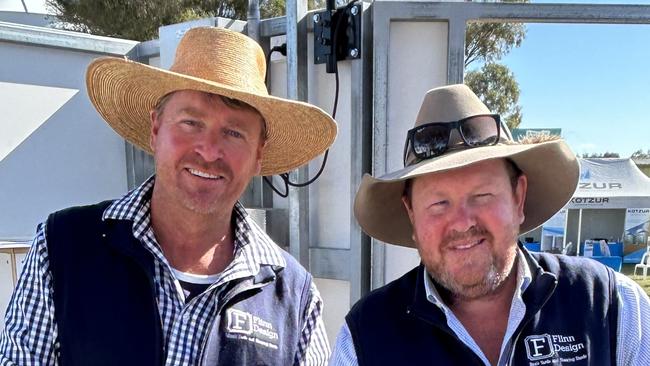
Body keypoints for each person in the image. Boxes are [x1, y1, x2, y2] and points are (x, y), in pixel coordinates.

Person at [0, 27, 337, 365]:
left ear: (258, 155)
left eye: (234, 132)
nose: (208, 150)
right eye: (191, 122)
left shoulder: (294, 297)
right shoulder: (62, 248)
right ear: (156, 128)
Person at [329, 84, 650, 365]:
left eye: (482, 195)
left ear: (518, 198)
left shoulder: (611, 306)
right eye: (438, 203)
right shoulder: (365, 338)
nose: (462, 222)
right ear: (411, 214)